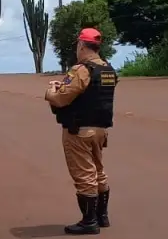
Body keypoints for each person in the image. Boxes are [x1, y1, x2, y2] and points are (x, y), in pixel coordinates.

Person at [44, 27, 119, 235]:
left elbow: (61, 99)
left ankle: (89, 222)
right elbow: (92, 93)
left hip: (79, 131)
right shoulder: (108, 69)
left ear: (82, 46)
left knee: (84, 175)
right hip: (100, 130)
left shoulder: (81, 69)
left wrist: (51, 90)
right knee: (98, 171)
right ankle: (102, 216)